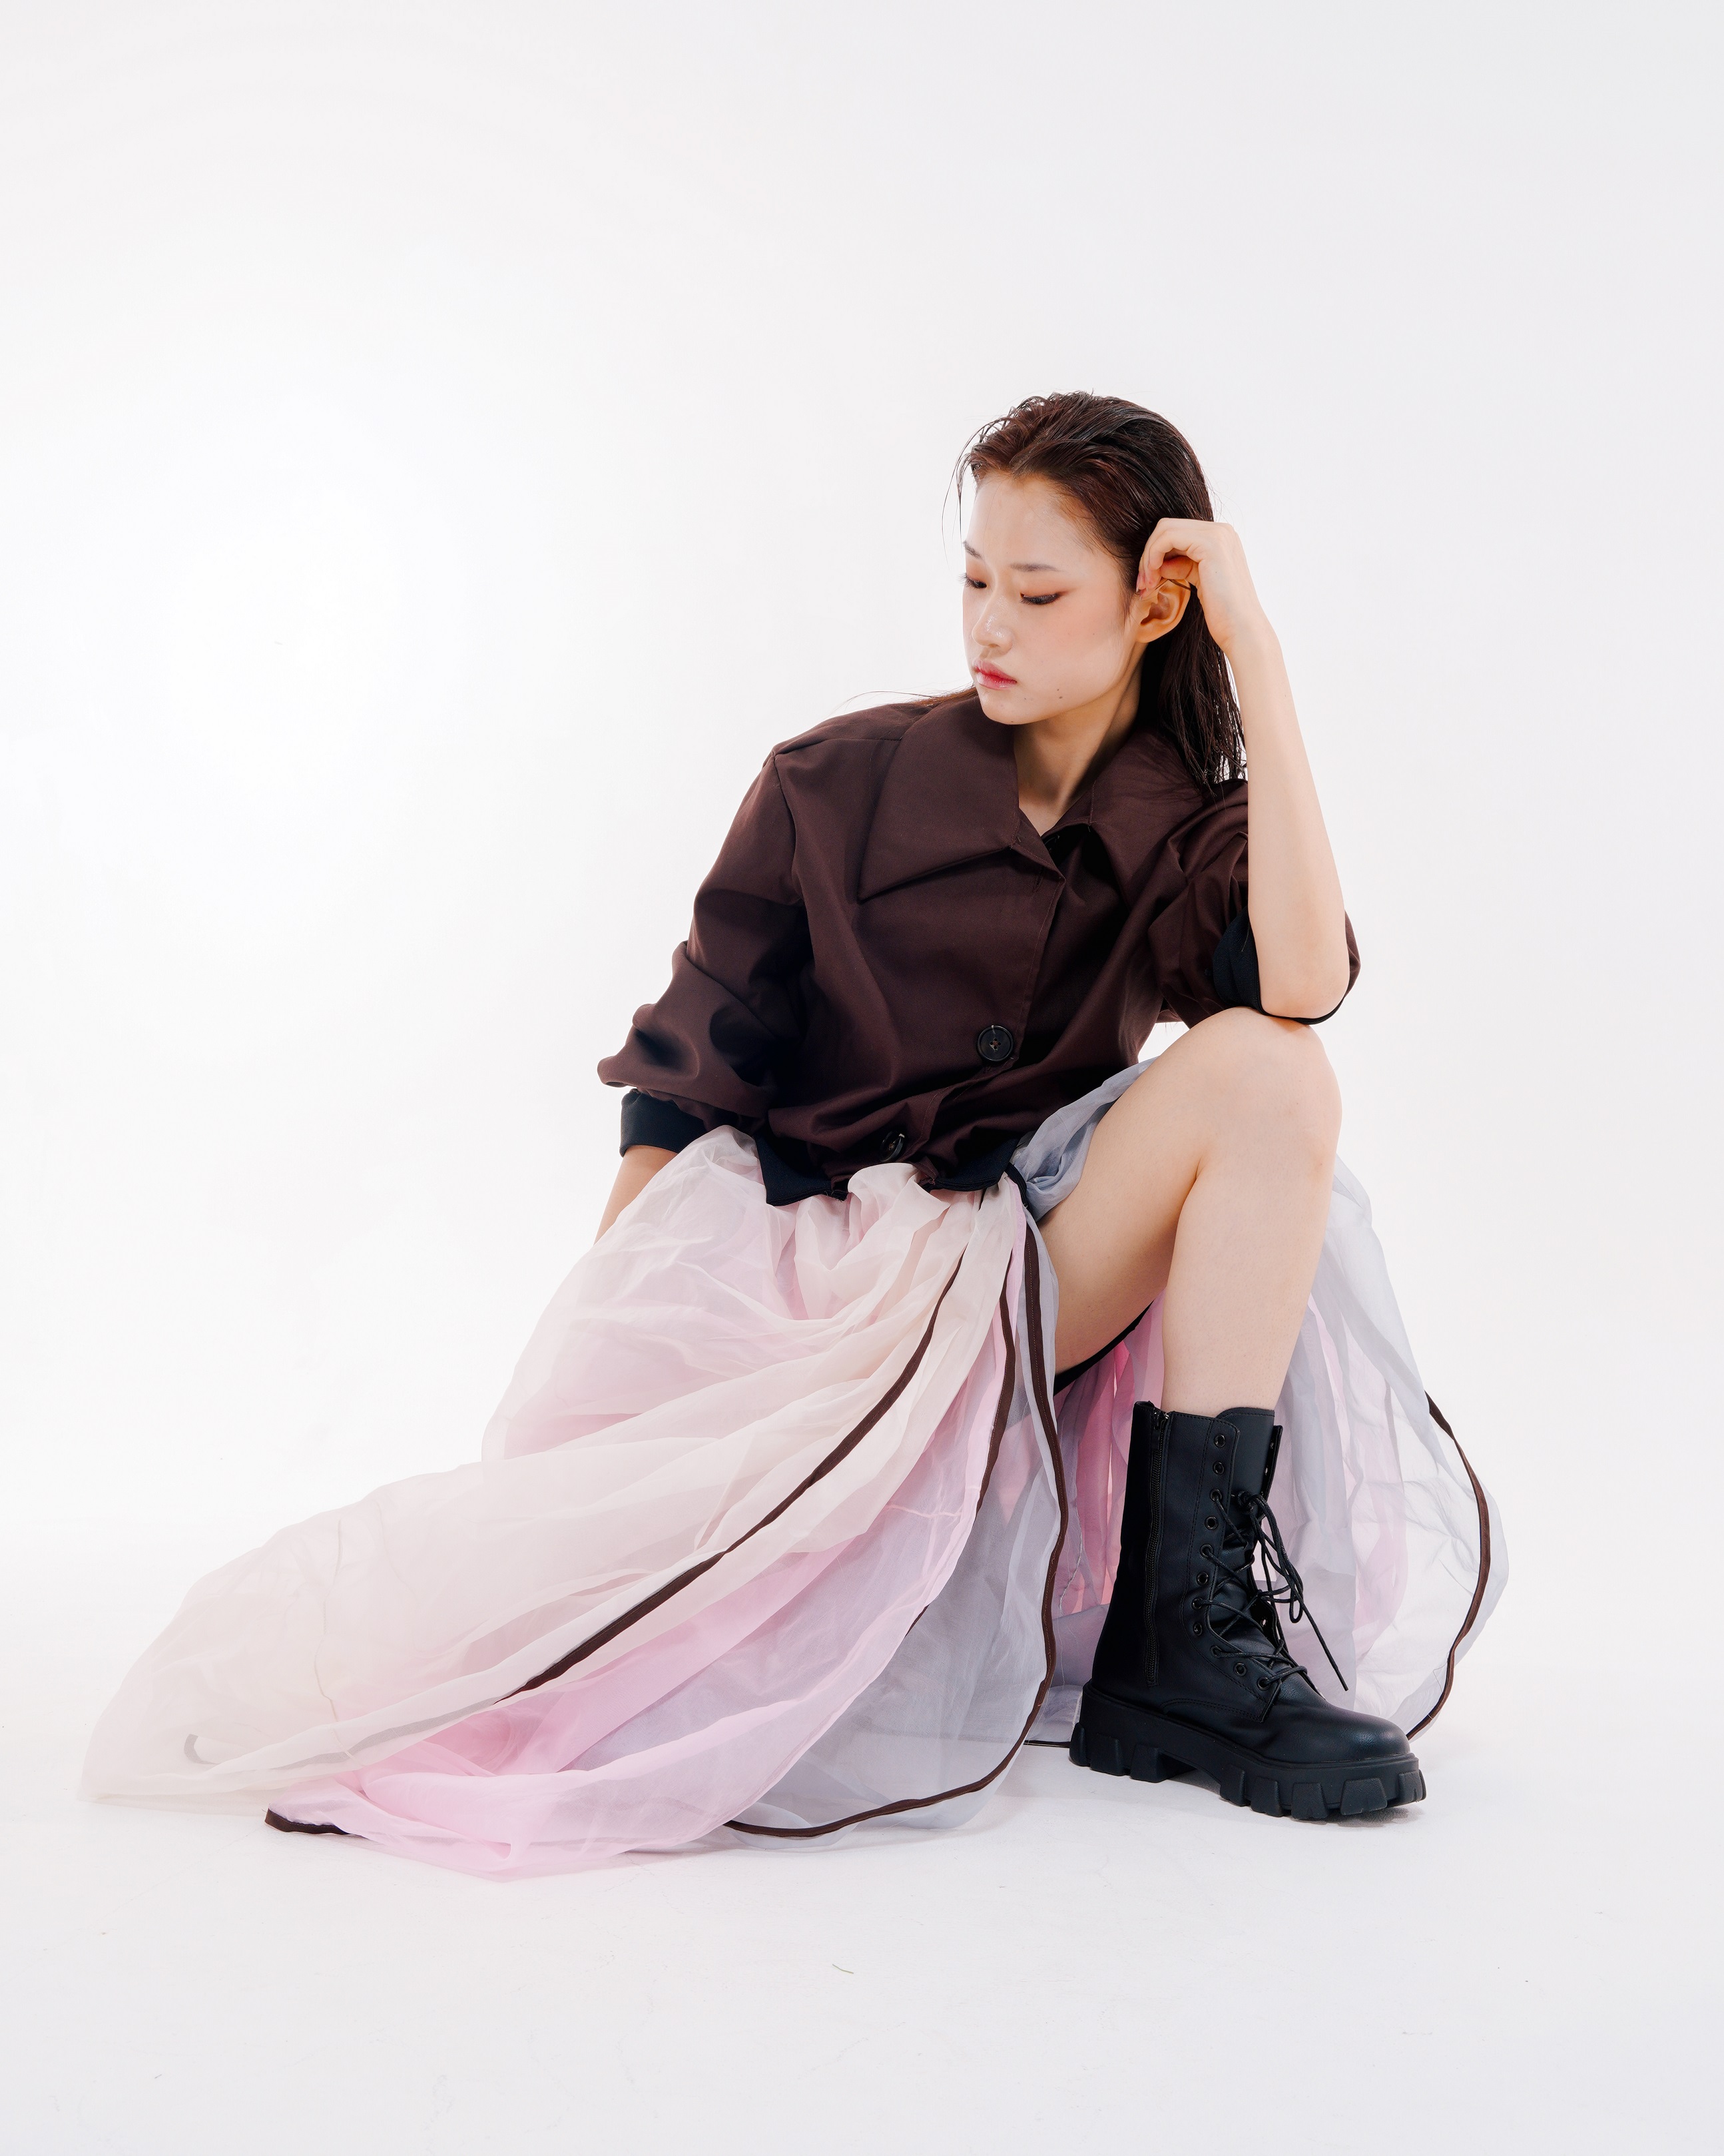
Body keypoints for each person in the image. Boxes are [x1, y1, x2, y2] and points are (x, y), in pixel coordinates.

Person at [82, 394, 1502, 1877]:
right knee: (581, 1633)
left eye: (1037, 593)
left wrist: (1252, 648)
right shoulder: (833, 780)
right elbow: (686, 1074)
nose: (989, 625)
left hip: (1012, 1262)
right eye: (975, 579)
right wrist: (602, 1364)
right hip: (813, 1283)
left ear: (1154, 605)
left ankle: (1184, 1640)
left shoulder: (1181, 821)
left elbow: (1300, 986)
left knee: (1269, 1071)